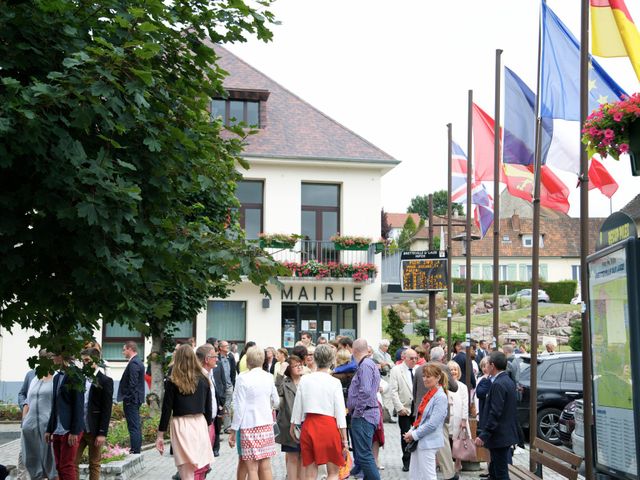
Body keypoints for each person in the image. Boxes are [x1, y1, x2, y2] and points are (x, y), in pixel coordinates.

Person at [156, 345, 214, 480]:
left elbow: (166, 409)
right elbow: (209, 409)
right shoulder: (204, 380)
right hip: (200, 423)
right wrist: (208, 427)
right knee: (198, 468)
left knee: (185, 469)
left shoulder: (172, 381)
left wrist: (160, 435)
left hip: (181, 424)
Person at [291, 344, 348, 480]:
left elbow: (297, 405)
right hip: (329, 427)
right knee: (333, 473)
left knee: (310, 474)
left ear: (315, 359)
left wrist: (293, 425)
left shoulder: (305, 379)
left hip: (309, 426)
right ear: (332, 360)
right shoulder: (335, 382)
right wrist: (345, 439)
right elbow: (340, 412)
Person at [229, 346, 279, 480]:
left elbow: (239, 407)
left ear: (248, 360)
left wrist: (234, 430)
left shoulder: (242, 378)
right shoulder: (268, 377)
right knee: (266, 466)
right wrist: (269, 408)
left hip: (248, 426)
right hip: (266, 425)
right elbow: (277, 401)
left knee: (252, 468)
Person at [413, 347, 458, 480]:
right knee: (442, 444)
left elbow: (414, 391)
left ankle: (427, 471)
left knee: (423, 446)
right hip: (436, 412)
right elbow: (454, 387)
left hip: (420, 411)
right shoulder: (443, 368)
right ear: (442, 357)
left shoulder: (419, 368)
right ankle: (449, 474)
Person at [475, 352, 520, 480]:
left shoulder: (498, 384)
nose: (485, 367)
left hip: (499, 436)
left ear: (492, 365)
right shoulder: (508, 380)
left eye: (487, 364)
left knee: (501, 473)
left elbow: (495, 412)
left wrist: (484, 435)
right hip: (503, 435)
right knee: (494, 471)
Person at [402, 363, 449, 480]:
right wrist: (411, 431)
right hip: (421, 440)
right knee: (415, 475)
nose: (424, 379)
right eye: (424, 376)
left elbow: (433, 424)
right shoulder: (429, 394)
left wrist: (413, 434)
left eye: (428, 376)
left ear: (438, 378)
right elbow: (421, 418)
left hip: (428, 442)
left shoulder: (440, 397)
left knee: (429, 476)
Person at [75, 348, 113, 480]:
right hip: (79, 428)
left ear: (96, 360)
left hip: (95, 429)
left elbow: (107, 409)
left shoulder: (105, 381)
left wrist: (102, 433)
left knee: (94, 463)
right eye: (82, 361)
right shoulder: (80, 379)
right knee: (72, 462)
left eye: (87, 360)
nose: (84, 364)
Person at [45, 353, 85, 480]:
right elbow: (55, 404)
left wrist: (74, 431)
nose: (51, 359)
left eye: (53, 355)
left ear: (62, 356)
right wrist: (49, 429)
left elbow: (78, 406)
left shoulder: (76, 376)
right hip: (57, 428)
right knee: (58, 466)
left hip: (70, 429)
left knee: (67, 466)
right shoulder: (57, 377)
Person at [347, 339, 381, 480]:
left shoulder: (365, 365)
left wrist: (358, 411)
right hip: (367, 414)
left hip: (364, 415)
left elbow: (366, 391)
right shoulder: (368, 364)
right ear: (367, 349)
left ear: (353, 351)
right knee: (364, 455)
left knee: (364, 455)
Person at [21, 351, 57, 480]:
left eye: (50, 358)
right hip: (30, 426)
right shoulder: (35, 378)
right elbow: (27, 400)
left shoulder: (57, 378)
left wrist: (54, 426)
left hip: (48, 425)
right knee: (31, 459)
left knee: (51, 460)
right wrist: (24, 421)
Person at [275, 355, 304, 480]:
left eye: (300, 364)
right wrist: (280, 372)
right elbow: (276, 392)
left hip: (305, 423)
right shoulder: (285, 382)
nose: (299, 367)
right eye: (295, 366)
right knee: (292, 457)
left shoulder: (306, 380)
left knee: (304, 458)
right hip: (288, 424)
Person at [388, 348, 417, 472]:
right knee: (405, 435)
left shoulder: (418, 369)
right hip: (404, 408)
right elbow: (393, 391)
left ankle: (416, 461)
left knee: (417, 434)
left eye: (416, 358)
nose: (414, 360)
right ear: (404, 357)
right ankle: (407, 461)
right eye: (412, 358)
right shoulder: (396, 370)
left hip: (417, 408)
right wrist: (399, 408)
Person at [116, 341, 145, 454]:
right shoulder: (137, 361)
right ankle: (136, 449)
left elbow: (133, 383)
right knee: (135, 425)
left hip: (132, 400)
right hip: (134, 399)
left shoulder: (134, 363)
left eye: (124, 350)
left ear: (130, 349)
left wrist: (128, 398)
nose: (123, 352)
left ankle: (135, 450)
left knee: (133, 426)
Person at [195, 344, 222, 457]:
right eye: (214, 356)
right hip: (202, 423)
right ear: (206, 359)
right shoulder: (198, 376)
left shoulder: (210, 373)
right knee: (199, 456)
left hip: (211, 421)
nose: (217, 359)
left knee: (206, 459)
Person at [446, 361, 468, 470]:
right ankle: (448, 463)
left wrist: (464, 419)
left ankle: (458, 462)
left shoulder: (463, 386)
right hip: (448, 416)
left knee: (458, 439)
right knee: (448, 440)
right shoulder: (444, 385)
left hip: (459, 416)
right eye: (451, 369)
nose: (453, 371)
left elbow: (465, 404)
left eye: (455, 369)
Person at [217, 341, 236, 432]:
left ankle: (227, 427)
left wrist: (232, 383)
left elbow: (233, 371)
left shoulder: (230, 357)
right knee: (219, 405)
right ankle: (217, 426)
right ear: (220, 348)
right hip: (220, 386)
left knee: (227, 405)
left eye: (228, 346)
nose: (228, 347)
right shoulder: (217, 358)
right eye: (226, 346)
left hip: (229, 386)